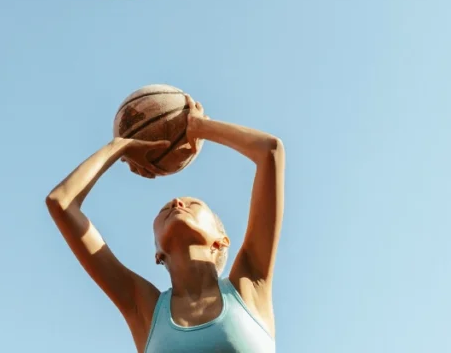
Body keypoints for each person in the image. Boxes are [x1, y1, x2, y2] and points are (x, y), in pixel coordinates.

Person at [45, 95, 284, 353]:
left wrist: (199, 127)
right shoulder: (144, 308)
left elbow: (270, 151)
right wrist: (119, 147)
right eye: (165, 209)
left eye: (193, 204)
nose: (177, 203)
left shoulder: (249, 284)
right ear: (157, 252)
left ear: (221, 240)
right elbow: (61, 202)